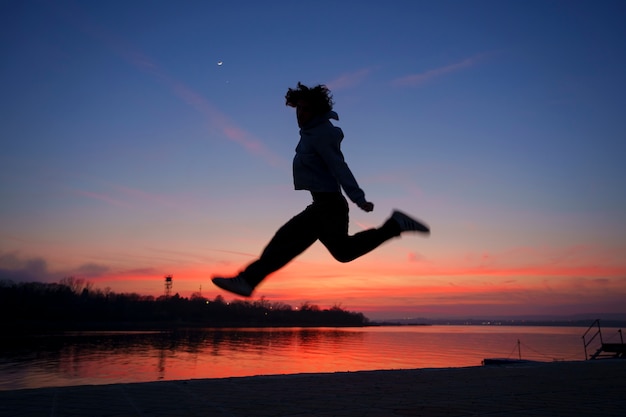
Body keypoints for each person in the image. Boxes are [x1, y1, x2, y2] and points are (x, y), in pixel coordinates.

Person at [212, 82, 429, 297]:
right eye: (299, 108)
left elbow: (339, 166)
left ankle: (248, 280)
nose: (300, 114)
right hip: (325, 206)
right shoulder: (310, 133)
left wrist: (358, 197)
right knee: (343, 252)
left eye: (306, 109)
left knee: (285, 240)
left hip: (328, 206)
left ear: (317, 111)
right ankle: (395, 225)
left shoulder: (322, 134)